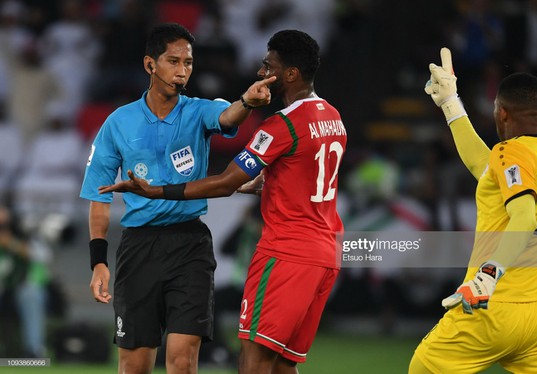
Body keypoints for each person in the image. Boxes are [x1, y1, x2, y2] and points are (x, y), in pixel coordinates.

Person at [99, 29, 347, 374]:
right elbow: (306, 170)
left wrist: (157, 191)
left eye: (268, 66)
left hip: (287, 251)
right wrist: (273, 182)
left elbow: (227, 182)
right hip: (326, 251)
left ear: (290, 74)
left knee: (253, 361)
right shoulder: (333, 117)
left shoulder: (280, 125)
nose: (261, 73)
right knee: (283, 364)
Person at [79, 22, 275, 374]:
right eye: (173, 61)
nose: (182, 71)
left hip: (189, 245)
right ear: (150, 65)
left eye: (188, 63)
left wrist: (246, 100)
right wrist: (98, 261)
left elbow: (228, 114)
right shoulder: (118, 123)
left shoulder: (199, 110)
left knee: (182, 361)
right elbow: (99, 196)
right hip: (138, 248)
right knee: (135, 366)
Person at [409, 48, 537, 373]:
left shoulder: (512, 151)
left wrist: (489, 274)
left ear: (502, 113)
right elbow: (484, 165)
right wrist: (451, 103)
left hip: (497, 303)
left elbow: (524, 216)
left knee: (422, 369)